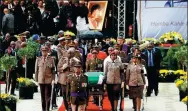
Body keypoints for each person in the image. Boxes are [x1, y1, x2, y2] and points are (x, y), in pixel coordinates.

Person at [35, 46, 56, 111]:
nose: (44, 52)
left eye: (45, 51)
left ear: (47, 52)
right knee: (42, 97)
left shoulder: (51, 59)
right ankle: (43, 109)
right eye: (43, 51)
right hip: (41, 79)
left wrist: (53, 79)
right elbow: (36, 70)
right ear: (41, 52)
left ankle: (47, 109)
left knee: (48, 96)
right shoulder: (38, 59)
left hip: (48, 80)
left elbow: (53, 71)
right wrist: (36, 80)